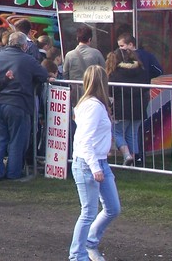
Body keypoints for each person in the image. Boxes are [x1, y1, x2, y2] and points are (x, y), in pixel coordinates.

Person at [68, 65, 121, 261]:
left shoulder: (92, 104)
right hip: (89, 163)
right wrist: (95, 167)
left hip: (98, 161)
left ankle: (89, 243)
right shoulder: (92, 106)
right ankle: (77, 255)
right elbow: (84, 140)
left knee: (113, 208)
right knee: (88, 212)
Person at [0, 32, 50, 180]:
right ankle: (13, 173)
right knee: (17, 140)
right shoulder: (28, 59)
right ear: (24, 45)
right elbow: (43, 75)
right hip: (18, 104)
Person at [105, 48, 148, 166]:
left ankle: (127, 155)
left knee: (116, 132)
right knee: (132, 133)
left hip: (122, 108)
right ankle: (133, 159)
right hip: (139, 108)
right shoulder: (141, 69)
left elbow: (111, 91)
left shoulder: (115, 72)